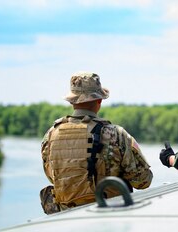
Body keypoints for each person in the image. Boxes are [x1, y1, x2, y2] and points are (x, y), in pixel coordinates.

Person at [40, 72, 153, 214]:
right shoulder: (116, 134)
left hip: (65, 219)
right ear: (99, 101)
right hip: (108, 217)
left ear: (72, 102)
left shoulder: (50, 135)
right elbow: (143, 180)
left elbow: (52, 176)